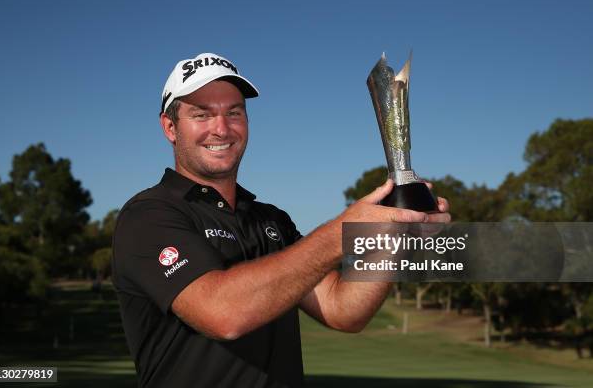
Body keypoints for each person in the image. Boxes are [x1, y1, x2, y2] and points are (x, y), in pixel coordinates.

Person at [112, 52, 450, 388]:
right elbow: (222, 313)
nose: (221, 128)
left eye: (234, 112)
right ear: (170, 128)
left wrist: (392, 235)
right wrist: (343, 233)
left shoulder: (271, 221)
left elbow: (341, 309)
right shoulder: (148, 215)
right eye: (201, 114)